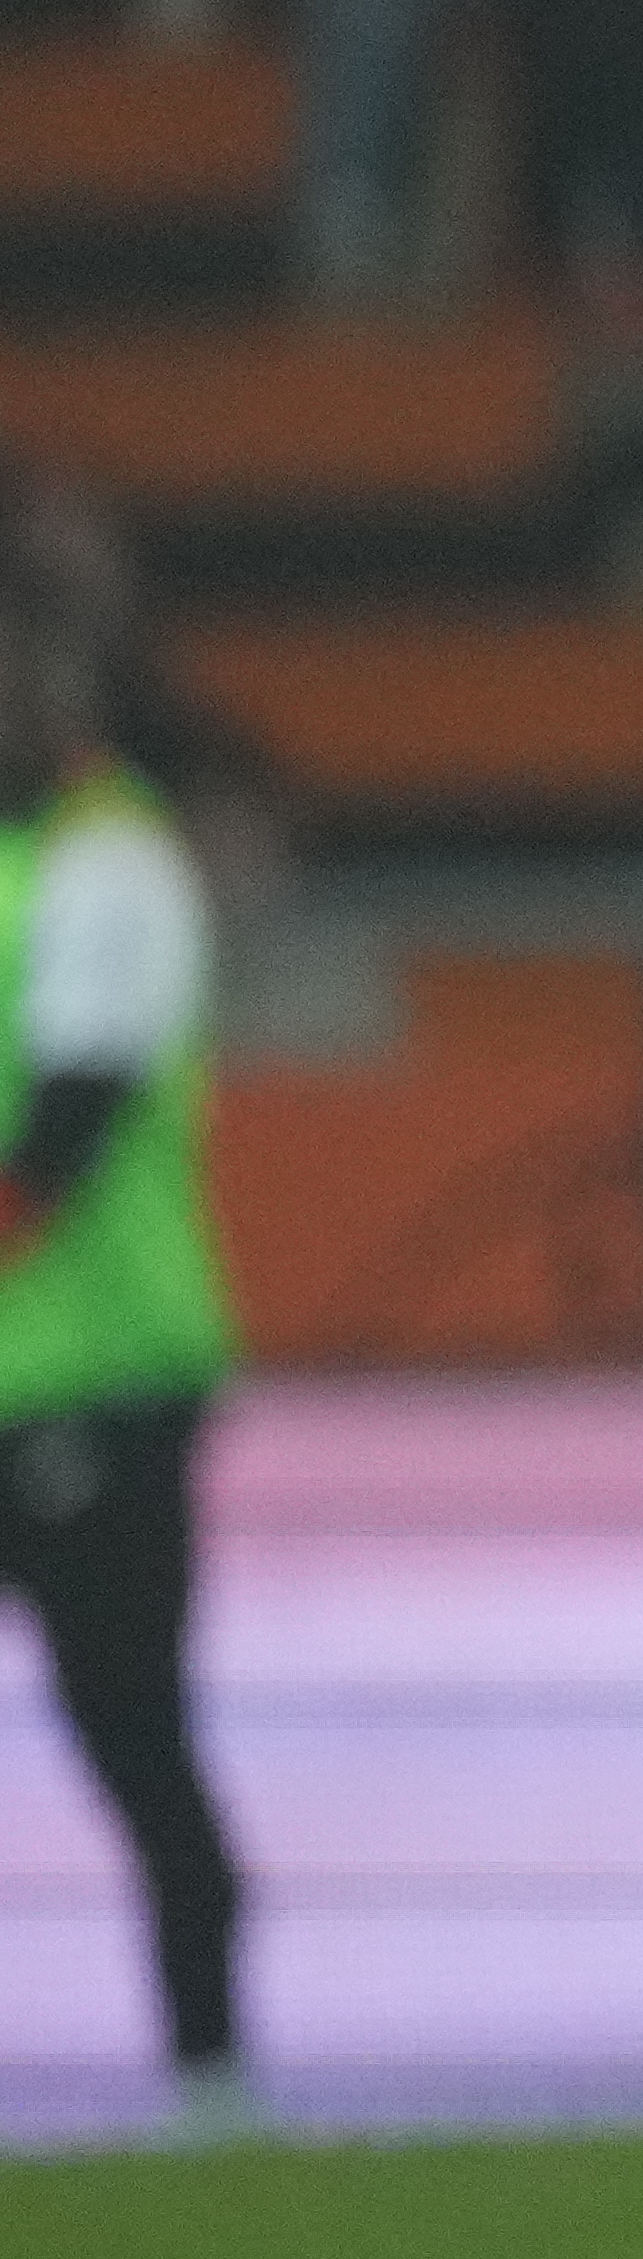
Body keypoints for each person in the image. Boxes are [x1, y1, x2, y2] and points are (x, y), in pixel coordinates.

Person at [0, 587, 249, 2132]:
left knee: (132, 1730)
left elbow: (67, 1129)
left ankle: (215, 2081)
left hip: (96, 1368)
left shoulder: (108, 862)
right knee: (134, 1731)